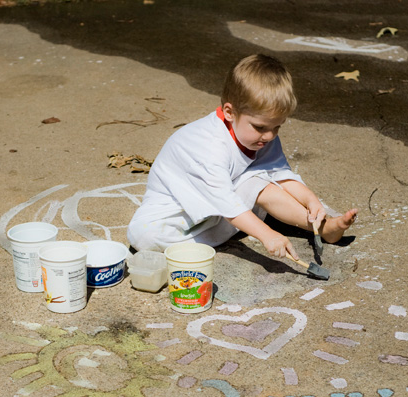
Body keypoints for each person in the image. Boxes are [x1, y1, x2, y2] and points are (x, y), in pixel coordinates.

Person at [127, 54, 357, 261]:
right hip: (174, 216)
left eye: (277, 127)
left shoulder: (260, 136)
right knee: (144, 237)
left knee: (258, 181)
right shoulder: (207, 146)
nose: (269, 136)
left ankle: (323, 227)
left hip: (217, 212)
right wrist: (267, 234)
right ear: (229, 112)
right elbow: (226, 202)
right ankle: (212, 239)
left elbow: (279, 172)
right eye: (260, 127)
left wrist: (310, 199)